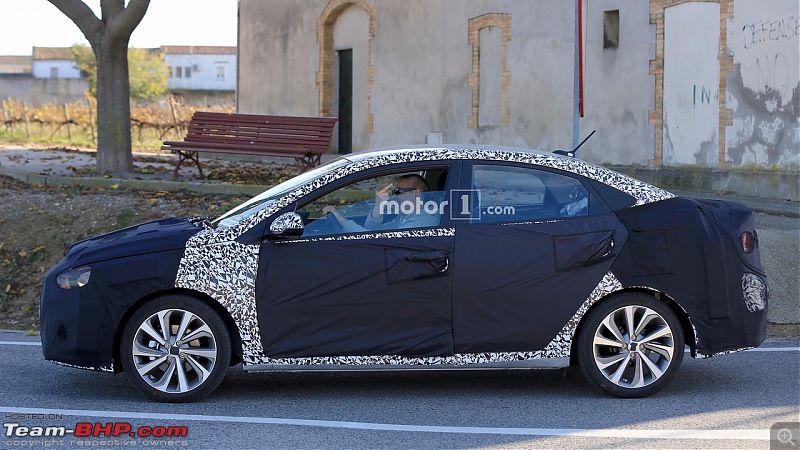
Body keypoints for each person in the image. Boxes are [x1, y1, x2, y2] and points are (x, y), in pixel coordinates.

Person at [322, 174, 440, 232]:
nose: (395, 196)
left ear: (417, 193)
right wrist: (379, 206)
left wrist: (339, 218)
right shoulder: (405, 217)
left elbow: (369, 239)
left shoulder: (424, 220)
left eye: (399, 192)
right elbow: (372, 231)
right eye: (394, 192)